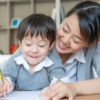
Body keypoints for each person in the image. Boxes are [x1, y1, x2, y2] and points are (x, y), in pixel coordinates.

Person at [0, 0, 100, 99]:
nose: (65, 40)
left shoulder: (94, 47)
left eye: (76, 40)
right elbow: (7, 70)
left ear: (91, 42)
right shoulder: (41, 36)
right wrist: (3, 82)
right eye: (65, 29)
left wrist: (73, 87)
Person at [0, 14, 68, 97]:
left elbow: (61, 80)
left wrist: (59, 84)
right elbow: (7, 78)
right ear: (20, 43)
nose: (34, 50)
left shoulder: (54, 63)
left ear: (50, 45)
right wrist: (4, 86)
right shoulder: (15, 61)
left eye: (41, 45)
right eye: (28, 44)